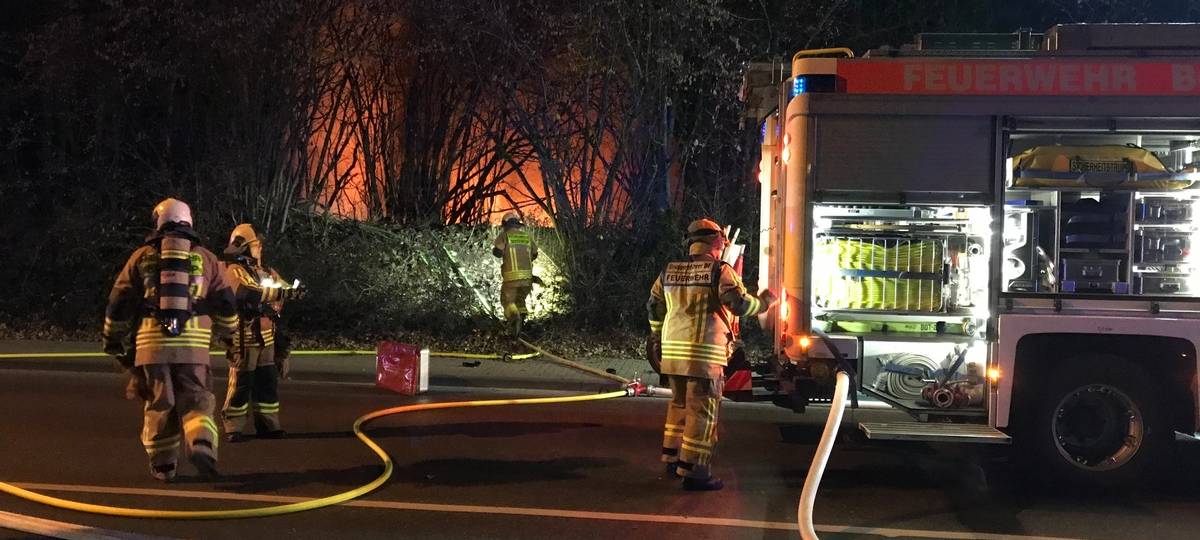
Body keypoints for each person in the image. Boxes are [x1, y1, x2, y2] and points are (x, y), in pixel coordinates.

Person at [102, 198, 239, 482]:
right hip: (193, 346)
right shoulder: (207, 258)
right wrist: (229, 335)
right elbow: (226, 302)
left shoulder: (141, 257)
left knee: (160, 403)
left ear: (159, 222)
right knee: (197, 398)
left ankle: (164, 466)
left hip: (151, 346)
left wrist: (112, 339)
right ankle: (201, 442)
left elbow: (119, 301)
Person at [646, 218, 776, 491]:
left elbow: (654, 307)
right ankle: (695, 472)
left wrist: (658, 336)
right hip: (703, 358)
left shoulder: (669, 270)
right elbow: (738, 304)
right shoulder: (720, 270)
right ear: (716, 241)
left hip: (673, 356)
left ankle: (673, 458)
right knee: (702, 413)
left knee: (679, 406)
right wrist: (764, 303)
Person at [220, 223, 304, 442]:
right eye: (256, 245)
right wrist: (280, 293)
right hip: (244, 338)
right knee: (241, 383)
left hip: (267, 338)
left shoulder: (266, 271)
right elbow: (247, 293)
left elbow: (283, 288)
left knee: (267, 382)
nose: (260, 249)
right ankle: (233, 426)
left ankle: (268, 425)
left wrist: (294, 291)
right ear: (245, 246)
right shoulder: (234, 270)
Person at [492, 211, 538, 337]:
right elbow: (535, 254)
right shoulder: (527, 237)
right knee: (520, 300)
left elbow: (497, 253)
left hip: (511, 278)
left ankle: (514, 319)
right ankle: (520, 326)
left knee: (508, 301)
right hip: (527, 278)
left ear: (505, 224)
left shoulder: (504, 236)